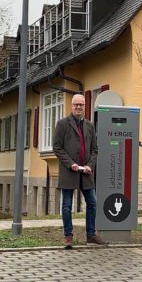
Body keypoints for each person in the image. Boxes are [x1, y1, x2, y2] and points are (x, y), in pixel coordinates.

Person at [53, 93, 108, 248]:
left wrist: (91, 165)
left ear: (85, 107)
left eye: (81, 105)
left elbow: (95, 149)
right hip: (69, 171)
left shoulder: (89, 125)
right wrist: (71, 164)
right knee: (67, 205)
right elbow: (57, 147)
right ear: (71, 106)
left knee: (93, 202)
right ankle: (68, 236)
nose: (78, 107)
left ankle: (91, 235)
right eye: (76, 104)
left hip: (86, 172)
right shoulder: (62, 124)